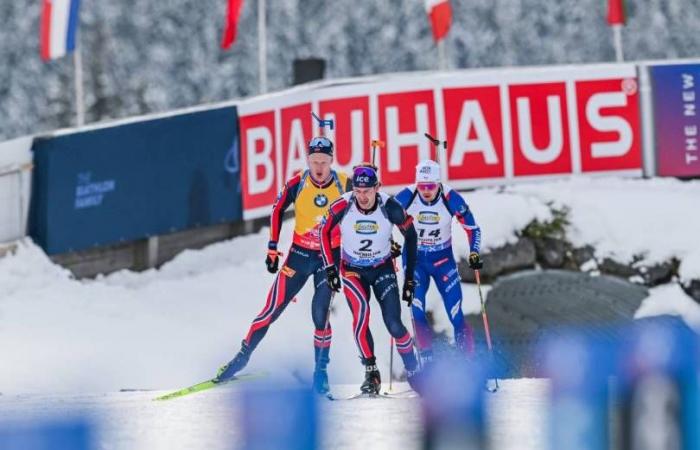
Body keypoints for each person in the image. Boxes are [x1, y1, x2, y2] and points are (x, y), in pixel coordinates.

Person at [215, 137, 350, 395]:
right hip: (299, 255)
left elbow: (367, 205)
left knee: (320, 314)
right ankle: (242, 357)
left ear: (332, 161)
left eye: (324, 162)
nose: (319, 167)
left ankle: (320, 373)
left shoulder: (344, 183)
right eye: (314, 162)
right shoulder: (298, 181)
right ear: (308, 161)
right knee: (271, 309)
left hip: (328, 258)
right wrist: (272, 247)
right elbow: (277, 209)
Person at [319, 163, 420, 395]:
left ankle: (414, 370)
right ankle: (371, 373)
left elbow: (411, 236)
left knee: (394, 324)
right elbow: (323, 232)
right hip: (352, 270)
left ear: (378, 188)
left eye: (367, 191)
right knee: (361, 313)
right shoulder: (343, 205)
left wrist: (410, 278)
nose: (362, 197)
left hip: (382, 268)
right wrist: (330, 269)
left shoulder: (390, 207)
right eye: (358, 191)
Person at [394, 159, 483, 364]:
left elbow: (473, 228)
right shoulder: (408, 195)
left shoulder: (450, 197)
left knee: (455, 313)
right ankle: (427, 362)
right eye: (422, 186)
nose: (425, 191)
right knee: (416, 309)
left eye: (431, 186)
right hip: (415, 260)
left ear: (439, 183)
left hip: (443, 260)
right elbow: (384, 220)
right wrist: (388, 245)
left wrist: (474, 253)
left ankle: (467, 364)